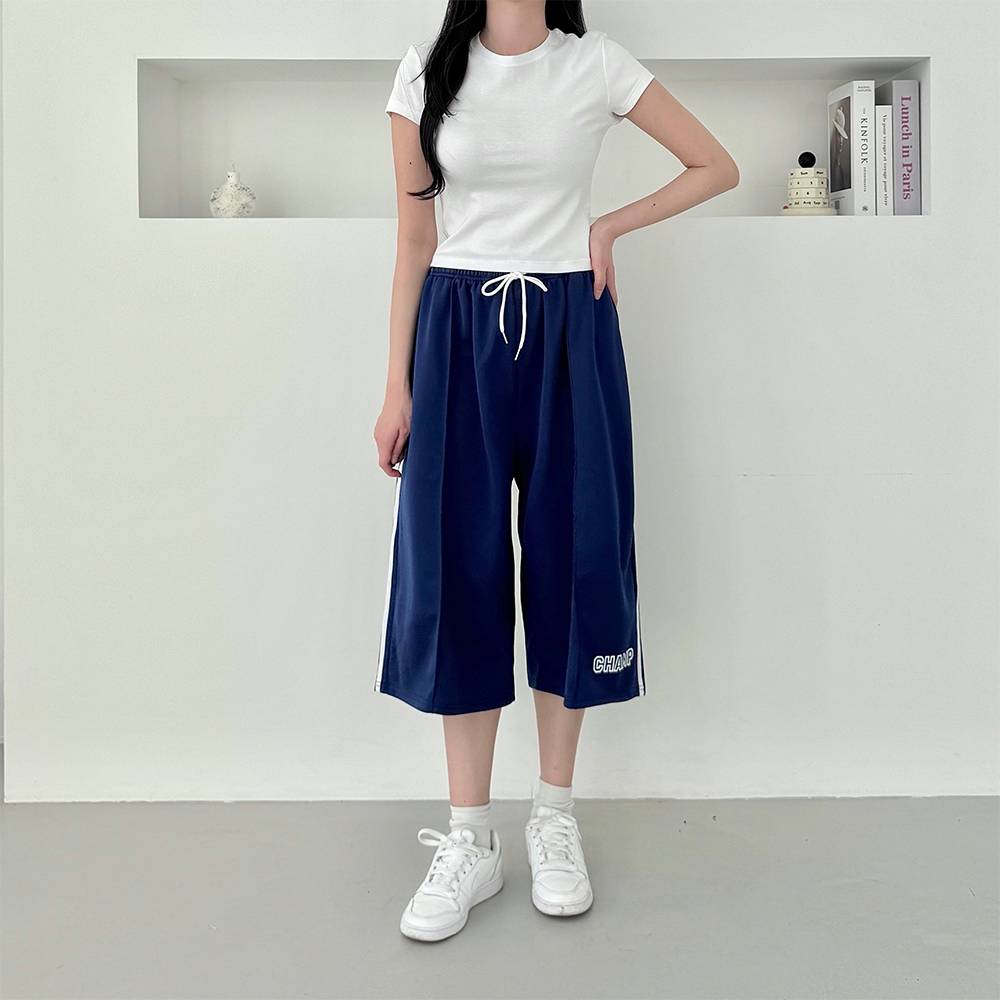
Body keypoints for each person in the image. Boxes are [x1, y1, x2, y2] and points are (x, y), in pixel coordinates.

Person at [373, 0, 739, 943]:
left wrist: (607, 227)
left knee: (575, 559)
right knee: (456, 569)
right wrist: (396, 386)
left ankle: (553, 815)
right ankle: (469, 837)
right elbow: (415, 240)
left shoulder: (596, 63)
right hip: (457, 332)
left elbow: (714, 164)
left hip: (573, 326)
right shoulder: (426, 72)